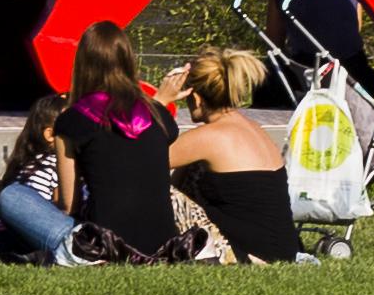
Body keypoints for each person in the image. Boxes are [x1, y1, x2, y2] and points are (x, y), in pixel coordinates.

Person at [43, 22, 184, 263]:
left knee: (14, 197)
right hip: (162, 243)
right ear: (129, 61)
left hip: (103, 245)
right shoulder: (159, 117)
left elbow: (69, 204)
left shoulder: (71, 121)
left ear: (83, 65)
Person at [162, 49, 304, 261]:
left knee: (156, 188)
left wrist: (159, 103)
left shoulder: (209, 137)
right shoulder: (252, 128)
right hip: (281, 250)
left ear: (198, 98)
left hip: (247, 254)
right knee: (191, 169)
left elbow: (142, 161)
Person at [0, 90, 75, 263]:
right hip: (26, 233)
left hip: (5, 233)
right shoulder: (54, 164)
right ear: (50, 135)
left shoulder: (28, 162)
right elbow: (62, 204)